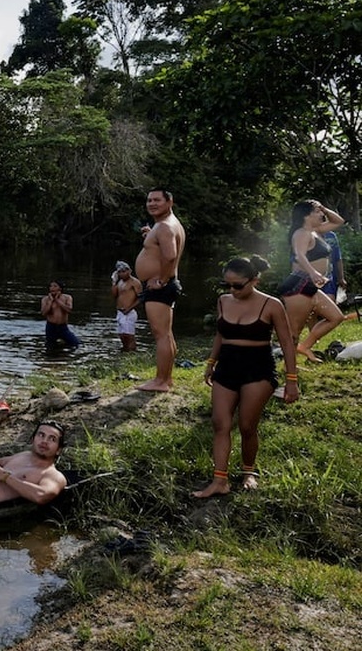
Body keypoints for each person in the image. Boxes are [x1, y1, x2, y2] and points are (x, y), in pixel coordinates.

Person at [193, 256, 299, 498]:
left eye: (237, 285)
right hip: (227, 366)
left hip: (257, 368)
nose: (232, 290)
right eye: (226, 285)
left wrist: (291, 380)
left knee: (247, 425)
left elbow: (286, 344)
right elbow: (221, 334)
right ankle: (220, 481)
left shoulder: (271, 305)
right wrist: (211, 362)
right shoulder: (223, 301)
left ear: (254, 280)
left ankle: (248, 472)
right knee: (220, 423)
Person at [279, 199, 346, 362]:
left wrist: (322, 207)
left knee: (336, 317)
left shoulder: (316, 231)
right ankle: (290, 370)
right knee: (294, 332)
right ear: (306, 216)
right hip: (299, 286)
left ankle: (305, 346)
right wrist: (314, 272)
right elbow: (300, 255)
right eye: (317, 212)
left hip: (310, 286)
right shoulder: (301, 233)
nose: (322, 214)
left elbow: (339, 221)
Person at [135, 187, 186, 391]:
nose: (152, 204)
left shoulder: (164, 226)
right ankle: (167, 378)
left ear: (169, 202)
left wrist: (161, 280)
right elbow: (161, 248)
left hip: (161, 287)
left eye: (157, 200)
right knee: (167, 334)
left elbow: (170, 255)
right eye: (149, 200)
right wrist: (150, 236)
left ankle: (161, 381)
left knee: (161, 335)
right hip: (164, 286)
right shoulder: (164, 225)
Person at [111, 261, 142, 352]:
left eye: (124, 271)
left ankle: (132, 352)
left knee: (129, 335)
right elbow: (114, 295)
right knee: (122, 335)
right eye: (120, 272)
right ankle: (125, 351)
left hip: (129, 312)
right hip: (120, 312)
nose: (122, 274)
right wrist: (113, 282)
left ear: (129, 271)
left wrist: (129, 309)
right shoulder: (119, 282)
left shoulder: (134, 282)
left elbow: (140, 298)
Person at [40, 280, 80, 349]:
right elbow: (43, 313)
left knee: (75, 343)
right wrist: (50, 302)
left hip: (63, 327)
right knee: (50, 347)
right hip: (51, 327)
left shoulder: (67, 297)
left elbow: (69, 310)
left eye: (55, 286)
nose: (52, 288)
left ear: (60, 289)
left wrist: (57, 300)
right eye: (51, 286)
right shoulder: (45, 299)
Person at [322, 229, 348, 303]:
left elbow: (338, 258)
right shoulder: (307, 235)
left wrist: (341, 278)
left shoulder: (331, 236)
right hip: (315, 277)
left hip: (331, 277)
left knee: (330, 302)